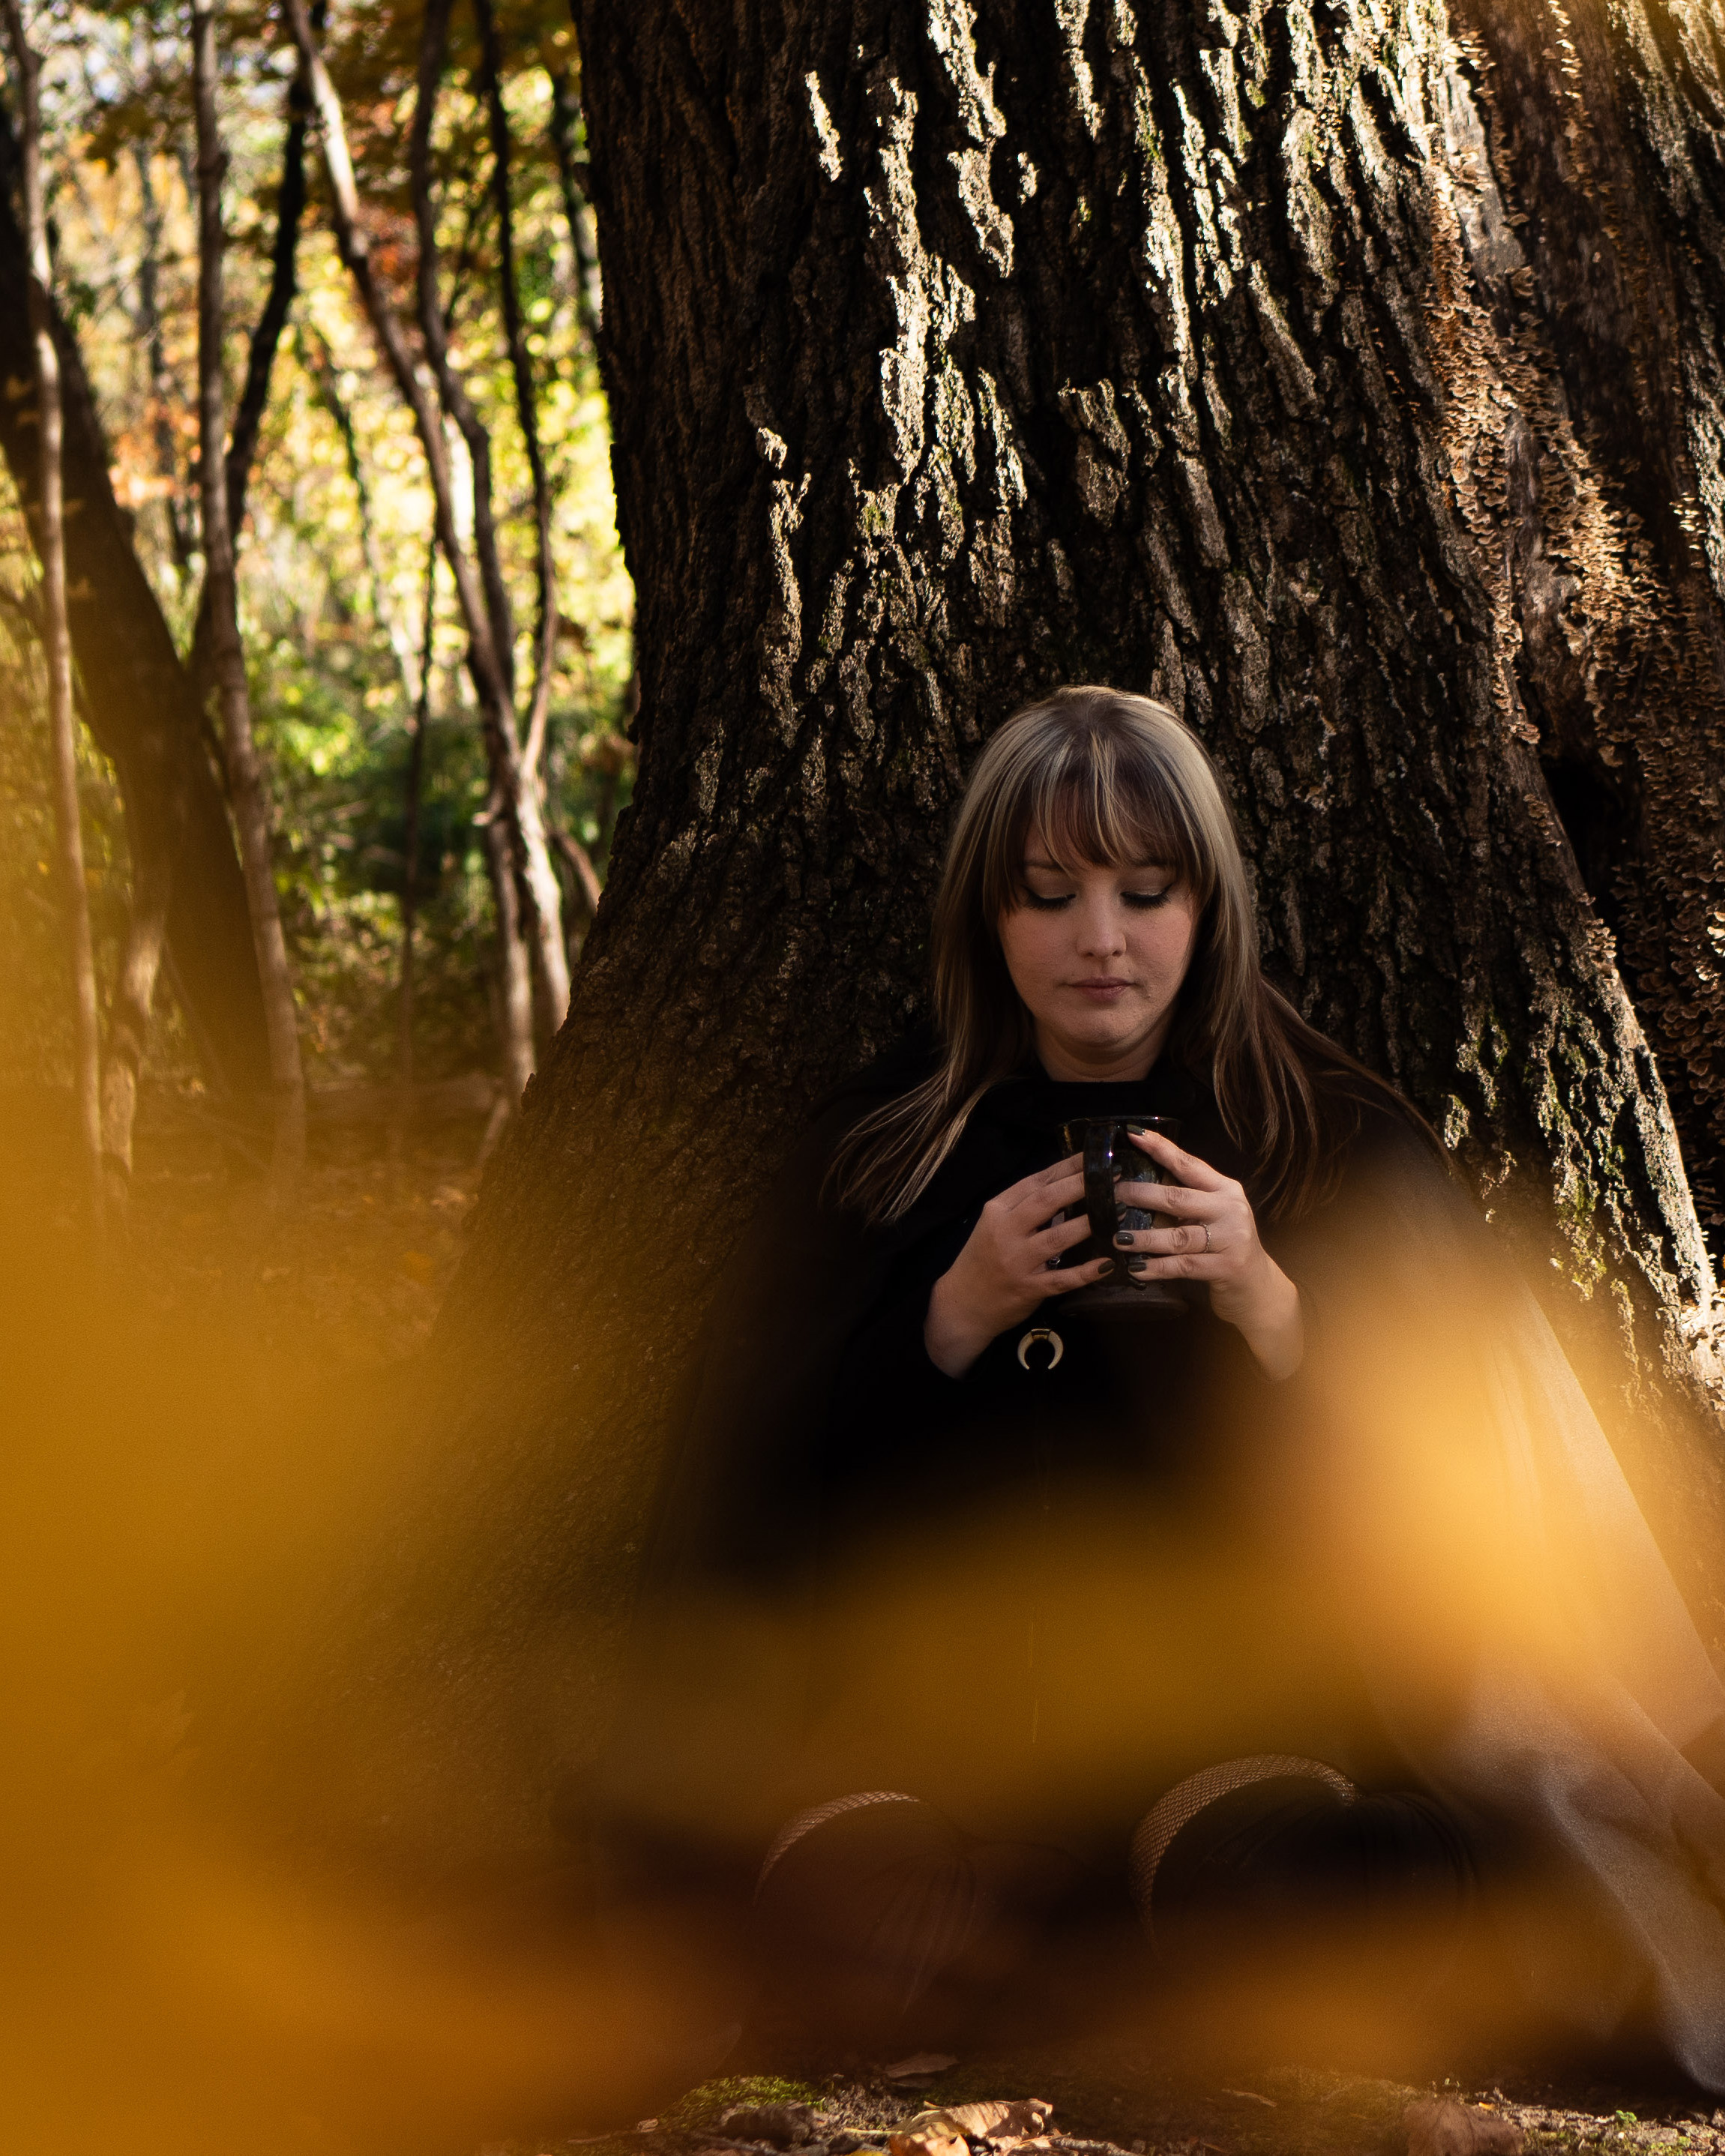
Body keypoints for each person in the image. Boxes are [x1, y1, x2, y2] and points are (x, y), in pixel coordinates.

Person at [594, 687, 1725, 2081]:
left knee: (1297, 1894)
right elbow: (736, 1497)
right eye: (1047, 896)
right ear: (984, 918)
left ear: (1207, 908)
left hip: (1229, 1752)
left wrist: (1275, 1309)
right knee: (863, 1938)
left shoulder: (1332, 1140)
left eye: (1144, 892)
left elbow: (1464, 1523)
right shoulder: (877, 1150)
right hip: (915, 1745)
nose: (1100, 942)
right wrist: (948, 1314)